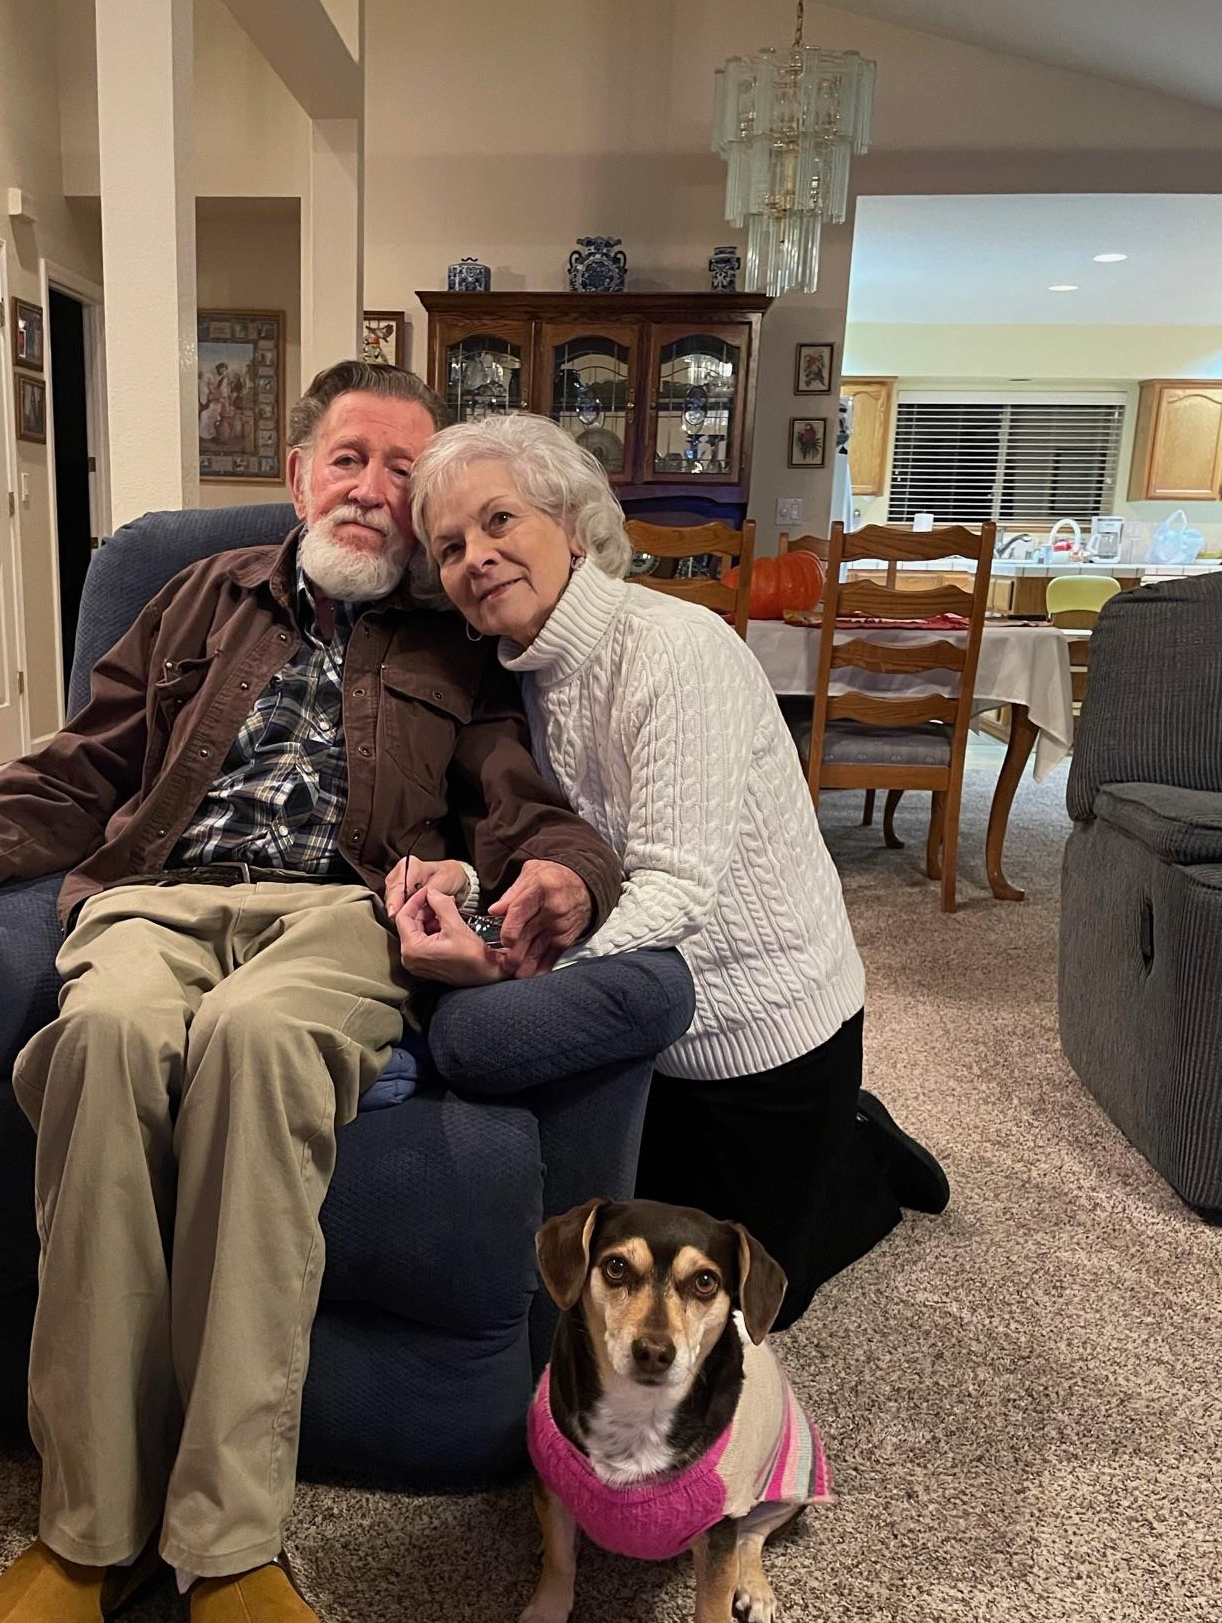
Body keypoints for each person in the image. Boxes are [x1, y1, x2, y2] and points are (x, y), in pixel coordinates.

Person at [0, 363, 621, 1623]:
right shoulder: (199, 595)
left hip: (337, 917)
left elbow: (529, 805)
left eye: (405, 471)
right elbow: (82, 766)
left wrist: (571, 876)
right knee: (99, 1041)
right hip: (155, 899)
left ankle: (227, 1549)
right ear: (298, 474)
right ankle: (88, 1538)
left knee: (259, 1045)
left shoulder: (451, 640)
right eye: (351, 457)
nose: (375, 489)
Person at [398, 412, 948, 1327]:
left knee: (752, 1303)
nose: (477, 557)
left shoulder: (675, 648)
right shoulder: (512, 675)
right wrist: (475, 889)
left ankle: (863, 1150)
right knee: (640, 1261)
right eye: (450, 547)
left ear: (574, 527)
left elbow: (674, 889)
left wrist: (510, 963)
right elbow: (550, 849)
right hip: (648, 1023)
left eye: (500, 520)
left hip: (766, 1025)